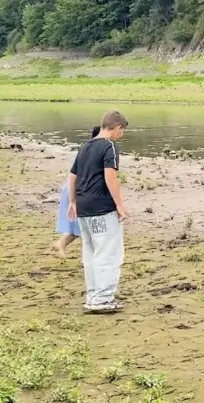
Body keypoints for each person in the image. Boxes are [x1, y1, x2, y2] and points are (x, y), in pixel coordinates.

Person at [66, 111, 129, 314]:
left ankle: (93, 296)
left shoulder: (85, 146)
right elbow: (110, 177)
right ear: (117, 127)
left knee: (91, 253)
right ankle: (102, 299)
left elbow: (72, 176)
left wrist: (72, 201)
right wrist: (119, 205)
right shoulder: (109, 146)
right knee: (108, 254)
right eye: (123, 131)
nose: (122, 135)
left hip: (83, 207)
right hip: (102, 208)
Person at [49, 126, 100, 257]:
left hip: (72, 188)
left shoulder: (84, 149)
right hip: (78, 190)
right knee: (85, 226)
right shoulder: (95, 152)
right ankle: (65, 245)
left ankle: (61, 244)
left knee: (80, 226)